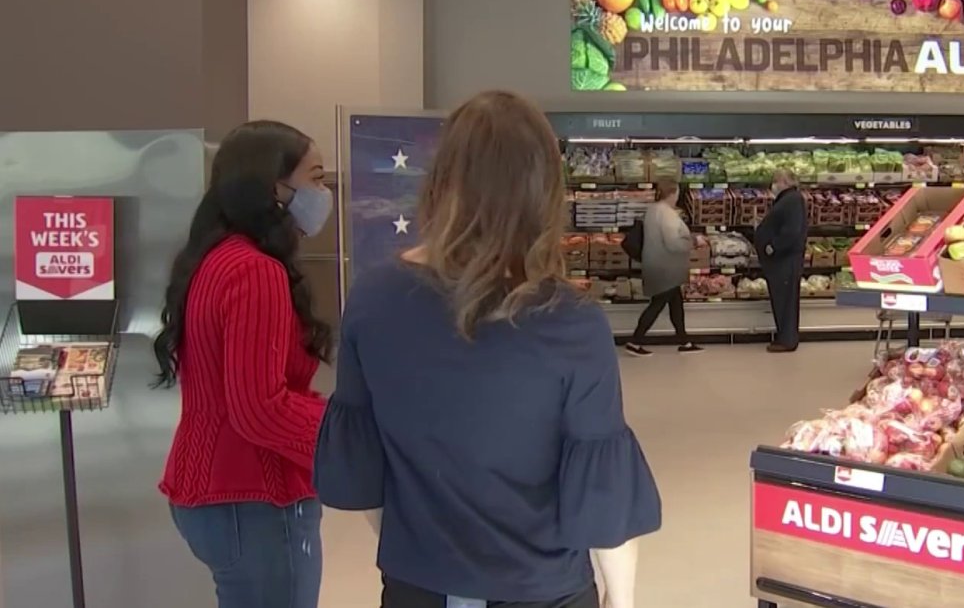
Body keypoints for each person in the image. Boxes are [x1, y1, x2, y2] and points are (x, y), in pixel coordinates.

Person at [314, 90, 662, 608]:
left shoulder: (373, 297)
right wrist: (622, 599)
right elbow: (603, 502)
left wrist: (433, 559)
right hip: (542, 589)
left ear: (440, 179)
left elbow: (364, 476)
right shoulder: (570, 320)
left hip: (417, 587)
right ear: (543, 191)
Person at [154, 120, 334, 608]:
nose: (325, 194)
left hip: (215, 493)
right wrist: (346, 430)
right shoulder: (255, 271)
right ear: (275, 189)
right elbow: (260, 409)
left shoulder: (216, 258)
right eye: (316, 178)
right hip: (253, 499)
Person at [625, 179, 703, 357]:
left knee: (676, 303)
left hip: (657, 264)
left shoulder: (652, 209)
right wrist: (694, 242)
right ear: (673, 193)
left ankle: (684, 341)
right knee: (657, 304)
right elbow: (673, 243)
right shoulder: (667, 214)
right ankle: (635, 341)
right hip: (666, 267)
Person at [754, 169, 808, 353]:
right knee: (783, 300)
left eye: (776, 181)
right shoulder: (788, 199)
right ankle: (784, 337)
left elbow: (792, 231)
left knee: (786, 301)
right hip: (783, 260)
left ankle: (787, 340)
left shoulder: (792, 200)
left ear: (785, 182)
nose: (773, 184)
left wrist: (774, 246)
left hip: (785, 260)